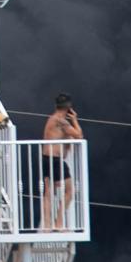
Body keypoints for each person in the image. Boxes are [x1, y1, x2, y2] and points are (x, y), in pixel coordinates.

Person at [41, 93, 83, 231]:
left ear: (56, 105)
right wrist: (75, 120)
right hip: (55, 160)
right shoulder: (61, 121)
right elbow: (79, 135)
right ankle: (58, 224)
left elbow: (65, 136)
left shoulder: (52, 119)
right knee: (70, 191)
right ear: (69, 108)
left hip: (46, 158)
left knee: (48, 192)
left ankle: (47, 226)